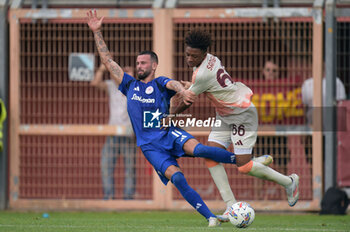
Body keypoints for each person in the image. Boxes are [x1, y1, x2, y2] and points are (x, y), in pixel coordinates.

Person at [87, 9, 244, 227]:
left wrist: (181, 90)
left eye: (143, 63)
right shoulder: (129, 85)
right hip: (150, 146)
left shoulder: (159, 83)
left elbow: (174, 84)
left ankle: (241, 161)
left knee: (199, 150)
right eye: (137, 63)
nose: (139, 66)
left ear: (153, 65)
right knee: (178, 178)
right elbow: (107, 61)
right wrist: (97, 32)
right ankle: (211, 217)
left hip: (167, 133)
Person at [171, 29, 300, 222]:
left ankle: (289, 182)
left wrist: (169, 116)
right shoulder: (210, 59)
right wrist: (191, 86)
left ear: (204, 53)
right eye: (187, 54)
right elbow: (209, 85)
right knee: (210, 155)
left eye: (194, 56)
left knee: (244, 167)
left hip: (241, 114)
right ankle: (231, 206)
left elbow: (188, 101)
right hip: (225, 114)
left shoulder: (202, 73)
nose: (189, 58)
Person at [90, 64, 136, 200]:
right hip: (113, 133)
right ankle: (109, 196)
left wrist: (130, 76)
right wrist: (102, 68)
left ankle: (128, 198)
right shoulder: (111, 86)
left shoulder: (133, 88)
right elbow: (95, 83)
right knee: (106, 165)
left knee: (130, 167)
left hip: (128, 133)